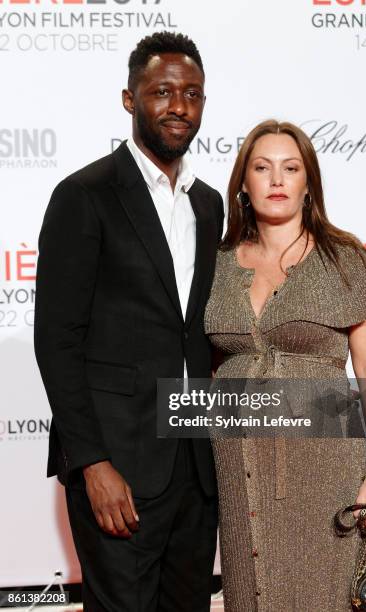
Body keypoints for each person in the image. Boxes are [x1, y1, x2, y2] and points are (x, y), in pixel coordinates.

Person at [34, 31, 224, 612]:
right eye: (162, 91)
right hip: (118, 467)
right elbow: (57, 340)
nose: (178, 107)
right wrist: (91, 463)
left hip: (196, 467)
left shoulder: (209, 203)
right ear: (129, 99)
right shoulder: (85, 195)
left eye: (191, 94)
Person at [204, 119, 366, 611]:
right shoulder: (217, 262)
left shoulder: (345, 258)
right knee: (251, 592)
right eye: (262, 168)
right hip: (237, 466)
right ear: (243, 183)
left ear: (309, 182)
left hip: (324, 468)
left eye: (291, 168)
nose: (277, 180)